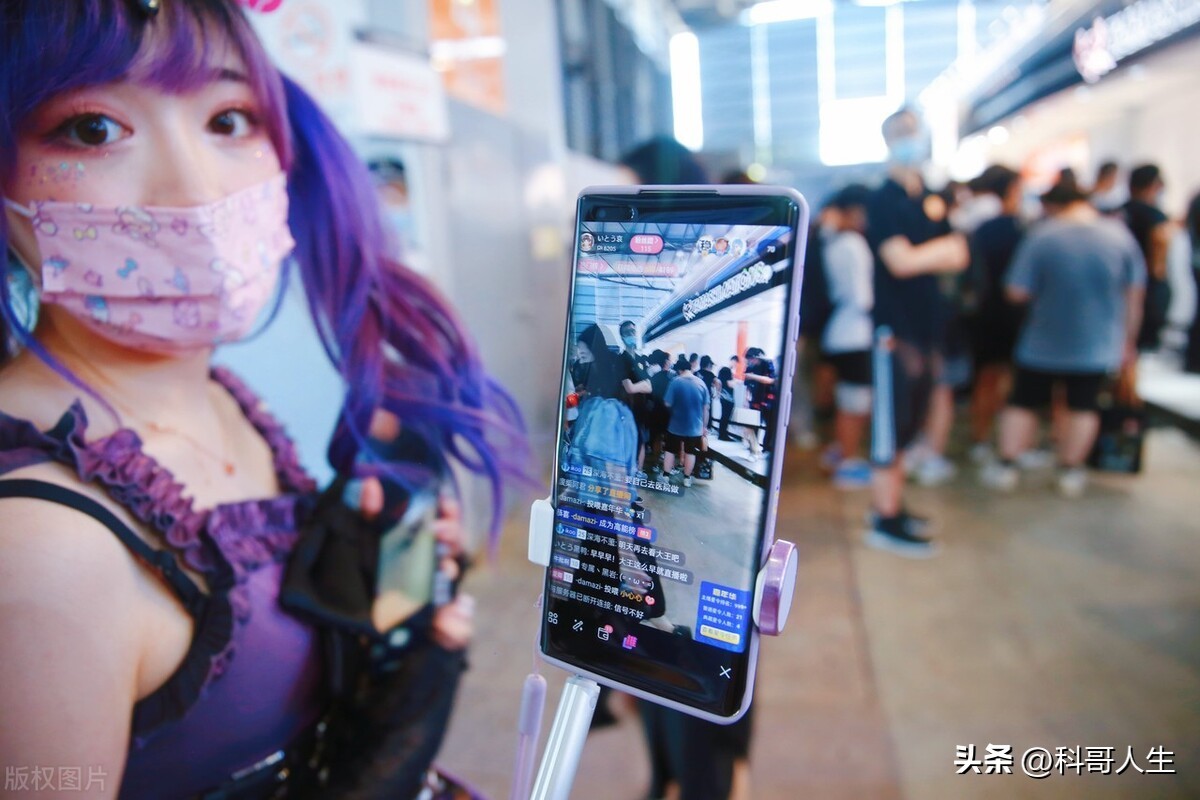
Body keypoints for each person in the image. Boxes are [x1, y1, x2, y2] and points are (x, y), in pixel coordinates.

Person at [0, 3, 528, 798]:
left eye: (229, 119)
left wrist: (380, 670)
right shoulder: (41, 550)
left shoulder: (220, 396)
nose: (195, 189)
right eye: (91, 130)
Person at [981, 179, 1146, 497]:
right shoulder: (1119, 237)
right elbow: (1135, 295)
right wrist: (1129, 341)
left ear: (1053, 205)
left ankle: (1007, 464)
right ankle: (1071, 469)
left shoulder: (1043, 236)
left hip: (1042, 341)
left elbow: (1016, 290)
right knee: (1083, 405)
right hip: (1097, 344)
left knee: (1023, 402)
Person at [864, 106, 970, 558]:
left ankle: (895, 505)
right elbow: (900, 262)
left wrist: (927, 253)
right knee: (891, 428)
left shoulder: (929, 195)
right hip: (895, 333)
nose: (912, 139)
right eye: (903, 132)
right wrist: (937, 252)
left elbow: (959, 253)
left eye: (915, 131)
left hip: (926, 331)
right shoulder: (883, 199)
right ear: (889, 138)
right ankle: (884, 519)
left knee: (909, 425)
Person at [965, 165, 1026, 464]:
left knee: (986, 379)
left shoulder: (980, 228)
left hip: (984, 313)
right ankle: (1002, 442)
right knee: (1006, 382)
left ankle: (981, 437)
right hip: (1012, 316)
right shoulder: (1021, 228)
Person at [816, 184, 874, 489]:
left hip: (836, 331)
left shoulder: (832, 242)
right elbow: (863, 297)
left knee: (844, 400)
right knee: (855, 402)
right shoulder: (853, 243)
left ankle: (839, 452)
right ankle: (848, 463)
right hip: (856, 333)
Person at [1123, 164, 1173, 351]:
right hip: (1147, 285)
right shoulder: (1155, 217)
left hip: (1119, 283)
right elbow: (1159, 258)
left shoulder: (1119, 212)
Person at [661, 356, 709, 488]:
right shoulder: (701, 383)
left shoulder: (675, 382)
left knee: (670, 450)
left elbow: (667, 403)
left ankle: (666, 476)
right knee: (690, 452)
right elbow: (706, 408)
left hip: (676, 424)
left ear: (679, 370)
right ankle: (687, 479)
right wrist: (704, 427)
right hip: (694, 426)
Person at [738, 347, 777, 464]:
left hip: (768, 400)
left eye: (751, 359)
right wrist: (746, 401)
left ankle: (766, 451)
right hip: (755, 400)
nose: (750, 362)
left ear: (756, 357)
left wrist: (753, 376)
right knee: (751, 427)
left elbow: (771, 380)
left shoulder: (768, 364)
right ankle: (754, 451)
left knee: (770, 427)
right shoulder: (750, 367)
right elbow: (748, 387)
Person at [717, 355, 740, 441]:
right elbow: (730, 384)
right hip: (727, 398)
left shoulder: (723, 370)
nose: (736, 364)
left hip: (723, 397)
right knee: (726, 417)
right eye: (736, 362)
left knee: (724, 416)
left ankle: (722, 434)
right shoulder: (727, 370)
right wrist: (736, 381)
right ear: (733, 361)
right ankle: (723, 435)